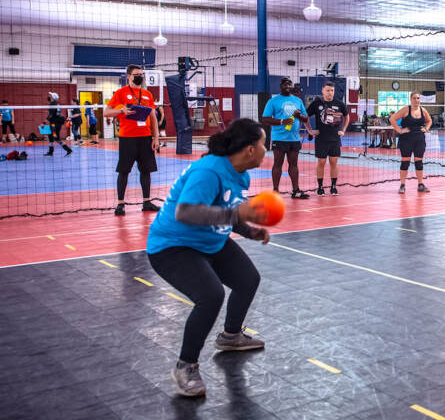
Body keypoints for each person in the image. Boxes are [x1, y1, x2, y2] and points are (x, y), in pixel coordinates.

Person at [146, 118, 269, 397]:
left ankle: (230, 336)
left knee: (248, 279)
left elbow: (230, 209)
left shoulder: (240, 174)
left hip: (209, 240)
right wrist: (236, 215)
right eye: (263, 145)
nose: (265, 151)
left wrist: (250, 231)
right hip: (173, 246)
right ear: (250, 149)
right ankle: (185, 365)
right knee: (211, 295)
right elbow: (186, 213)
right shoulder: (209, 171)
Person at [106, 65, 159, 215]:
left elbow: (153, 117)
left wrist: (155, 137)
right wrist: (120, 110)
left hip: (145, 138)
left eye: (141, 74)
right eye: (136, 74)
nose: (139, 76)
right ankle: (120, 204)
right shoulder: (120, 93)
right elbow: (106, 112)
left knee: (146, 170)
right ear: (128, 76)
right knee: (123, 171)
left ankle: (147, 202)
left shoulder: (147, 94)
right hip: (127, 138)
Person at [261, 77, 310, 199]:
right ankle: (276, 191)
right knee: (278, 163)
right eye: (285, 84)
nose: (287, 85)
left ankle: (296, 190)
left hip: (294, 138)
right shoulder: (273, 101)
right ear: (280, 86)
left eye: (289, 83)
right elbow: (265, 119)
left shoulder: (297, 101)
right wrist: (282, 121)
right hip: (279, 138)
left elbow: (305, 118)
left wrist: (299, 116)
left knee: (294, 164)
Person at [305, 81, 349, 196]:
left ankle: (333, 187)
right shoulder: (316, 103)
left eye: (332, 91)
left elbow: (347, 117)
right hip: (321, 138)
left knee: (334, 162)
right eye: (328, 90)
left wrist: (343, 130)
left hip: (335, 138)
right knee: (321, 162)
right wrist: (310, 130)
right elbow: (305, 116)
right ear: (323, 91)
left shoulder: (339, 104)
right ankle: (320, 187)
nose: (330, 93)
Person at [389, 92, 432, 193]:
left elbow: (429, 121)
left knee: (419, 162)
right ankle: (402, 185)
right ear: (410, 99)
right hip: (406, 140)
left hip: (419, 139)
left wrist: (426, 128)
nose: (416, 100)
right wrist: (399, 131)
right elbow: (392, 119)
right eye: (414, 98)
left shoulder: (423, 110)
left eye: (418, 98)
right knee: (405, 162)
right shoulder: (406, 109)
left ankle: (420, 184)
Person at [44, 92, 73, 156]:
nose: (49, 96)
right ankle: (51, 152)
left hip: (54, 124)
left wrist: (43, 123)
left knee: (56, 138)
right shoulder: (57, 104)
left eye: (50, 96)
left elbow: (50, 115)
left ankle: (68, 150)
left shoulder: (52, 104)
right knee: (51, 136)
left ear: (52, 98)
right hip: (55, 124)